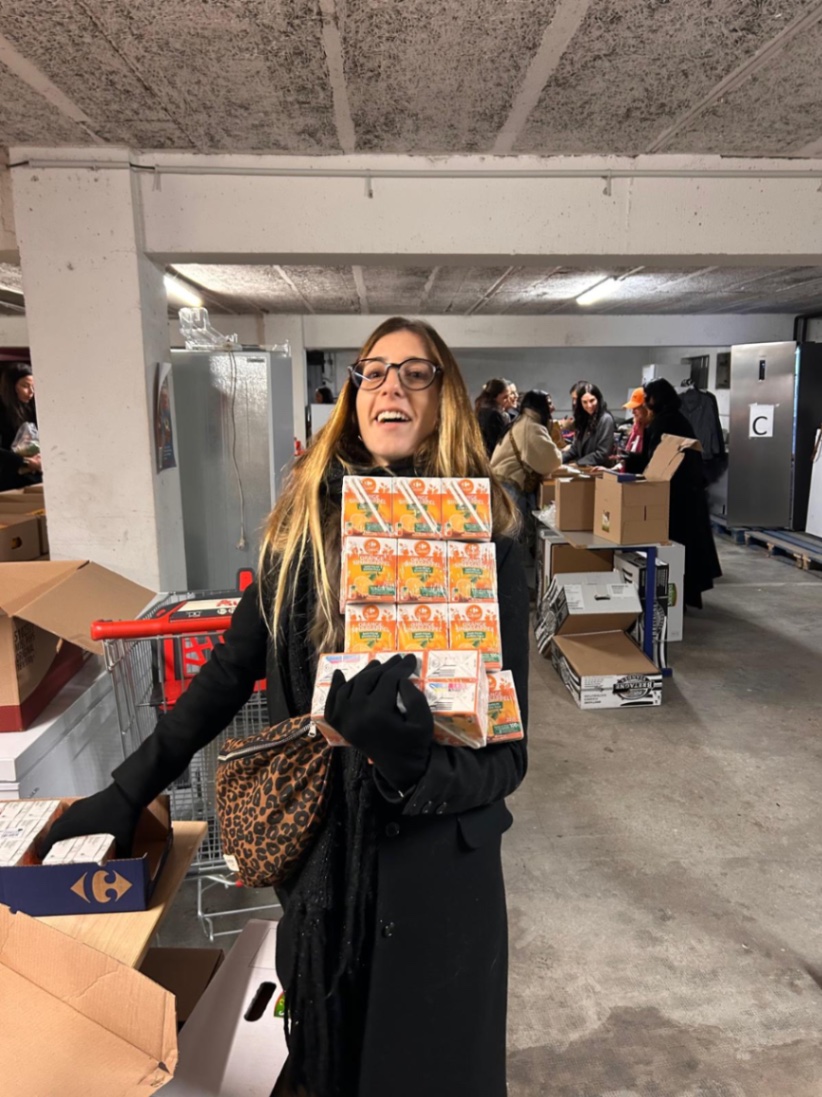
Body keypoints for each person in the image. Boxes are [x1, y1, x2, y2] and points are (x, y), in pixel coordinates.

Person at [39, 317, 529, 1097]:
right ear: (353, 397)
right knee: (326, 1065)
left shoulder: (488, 538)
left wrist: (413, 766)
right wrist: (129, 788)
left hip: (441, 884)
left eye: (416, 372)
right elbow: (227, 672)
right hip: (324, 871)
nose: (392, 386)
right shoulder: (300, 533)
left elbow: (509, 758)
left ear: (446, 398)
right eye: (373, 371)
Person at [625, 378, 722, 608]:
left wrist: (631, 465)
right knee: (685, 549)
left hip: (678, 496)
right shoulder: (674, 418)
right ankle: (682, 596)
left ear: (655, 399)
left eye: (647, 399)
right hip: (684, 493)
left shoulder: (665, 422)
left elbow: (656, 461)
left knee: (677, 548)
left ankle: (676, 598)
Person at [490, 389, 564, 548]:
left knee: (506, 539)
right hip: (511, 489)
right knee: (512, 542)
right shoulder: (531, 427)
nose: (553, 407)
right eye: (549, 403)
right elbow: (551, 461)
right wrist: (560, 453)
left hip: (503, 486)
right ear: (539, 405)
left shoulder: (522, 421)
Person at [0, 363, 41, 491]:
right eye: (25, 386)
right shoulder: (2, 411)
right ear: (11, 387)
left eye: (33, 386)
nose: (31, 392)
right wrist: (25, 461)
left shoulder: (31, 409)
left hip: (35, 476)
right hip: (9, 480)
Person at [562, 382, 616, 467]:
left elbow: (602, 453)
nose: (589, 405)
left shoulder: (606, 419)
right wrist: (559, 459)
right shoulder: (584, 419)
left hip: (598, 470)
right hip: (584, 469)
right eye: (584, 402)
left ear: (598, 399)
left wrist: (577, 464)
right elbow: (575, 449)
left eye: (592, 400)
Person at [474, 377, 515, 457]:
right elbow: (501, 443)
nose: (508, 400)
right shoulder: (496, 414)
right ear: (494, 397)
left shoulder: (481, 409)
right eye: (505, 397)